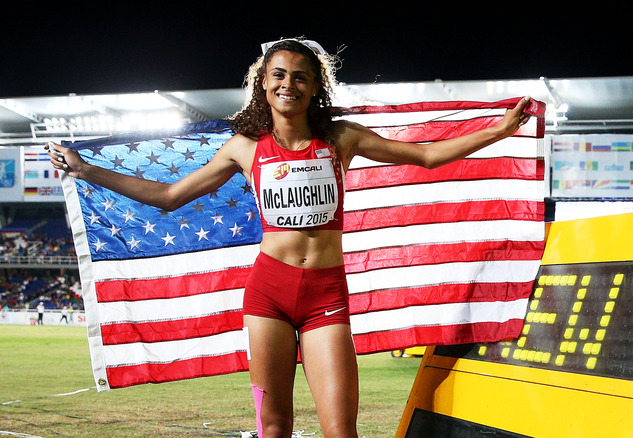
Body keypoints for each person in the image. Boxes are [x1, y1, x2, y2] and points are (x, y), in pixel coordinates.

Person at [47, 38, 533, 438]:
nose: (288, 84)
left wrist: (501, 130)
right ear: (264, 82)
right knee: (273, 427)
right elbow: (169, 195)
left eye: (301, 76)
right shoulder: (244, 148)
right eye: (279, 74)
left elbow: (426, 156)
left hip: (326, 298)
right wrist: (87, 169)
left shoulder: (341, 137)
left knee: (341, 431)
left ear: (315, 85)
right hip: (267, 297)